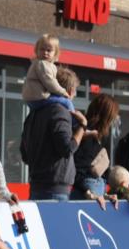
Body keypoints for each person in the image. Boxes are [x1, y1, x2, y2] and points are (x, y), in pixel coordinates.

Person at [20, 67, 87, 201]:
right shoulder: (60, 111)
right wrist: (82, 126)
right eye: (74, 92)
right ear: (69, 91)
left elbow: (25, 155)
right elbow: (68, 148)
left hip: (36, 185)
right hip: (56, 190)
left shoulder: (33, 113)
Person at [71, 94, 120, 209]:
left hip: (93, 191)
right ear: (106, 117)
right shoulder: (90, 136)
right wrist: (89, 192)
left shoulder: (96, 135)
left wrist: (105, 195)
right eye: (113, 116)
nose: (114, 120)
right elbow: (78, 170)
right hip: (88, 193)